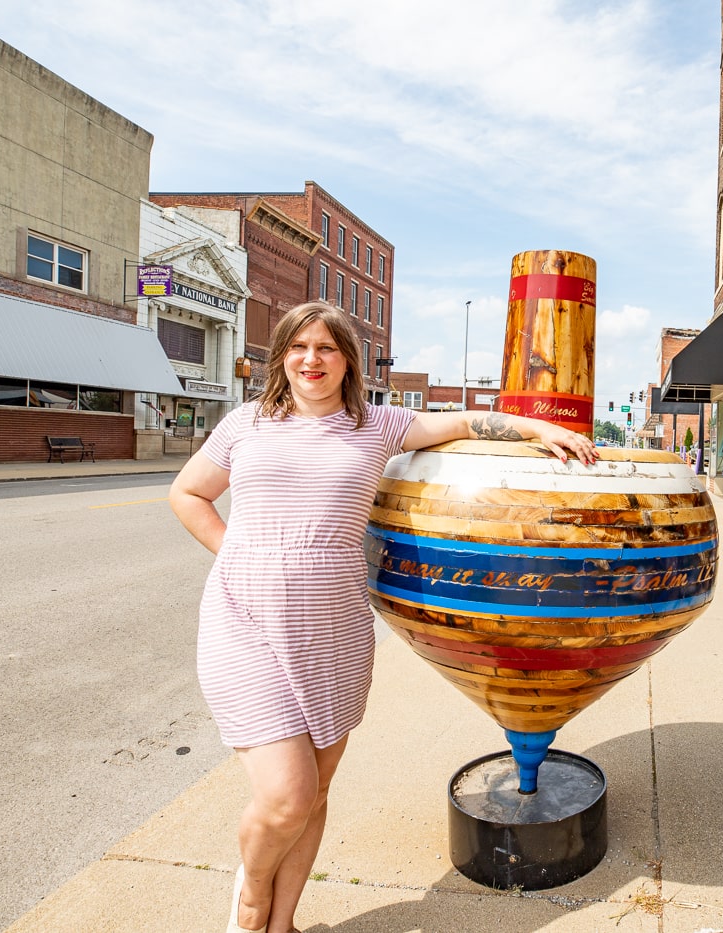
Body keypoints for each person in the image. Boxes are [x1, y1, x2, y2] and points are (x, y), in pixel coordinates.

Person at [169, 300, 595, 933]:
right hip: (244, 619)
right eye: (297, 347)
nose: (310, 360)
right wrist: (239, 554)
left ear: (348, 361)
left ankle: (280, 924)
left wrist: (538, 429)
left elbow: (465, 424)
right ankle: (252, 899)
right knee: (285, 797)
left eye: (326, 348)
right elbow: (188, 492)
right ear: (281, 356)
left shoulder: (377, 426)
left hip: (333, 628)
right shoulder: (245, 425)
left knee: (313, 792)